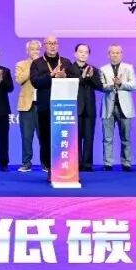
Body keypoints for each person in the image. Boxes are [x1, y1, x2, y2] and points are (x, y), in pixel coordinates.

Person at [29, 36, 80, 177]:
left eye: (55, 43)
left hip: (64, 107)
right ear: (45, 45)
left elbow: (75, 79)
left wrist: (64, 76)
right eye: (49, 43)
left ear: (58, 45)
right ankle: (49, 168)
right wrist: (51, 75)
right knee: (46, 138)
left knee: (64, 138)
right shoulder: (37, 63)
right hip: (45, 107)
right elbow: (35, 82)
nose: (52, 46)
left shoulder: (66, 62)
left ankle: (65, 168)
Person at [100, 44, 136, 172]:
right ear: (108, 54)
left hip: (124, 107)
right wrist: (112, 86)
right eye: (112, 53)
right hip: (109, 107)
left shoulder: (128, 67)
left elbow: (133, 85)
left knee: (126, 138)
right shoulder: (103, 69)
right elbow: (102, 86)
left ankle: (126, 163)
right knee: (107, 138)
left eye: (117, 53)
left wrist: (121, 84)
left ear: (121, 54)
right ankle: (108, 163)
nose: (115, 55)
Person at [73, 44, 104, 172]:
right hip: (75, 107)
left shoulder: (94, 70)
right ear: (75, 53)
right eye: (80, 51)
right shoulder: (69, 69)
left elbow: (101, 87)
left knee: (89, 136)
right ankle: (76, 163)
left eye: (86, 52)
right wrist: (82, 77)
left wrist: (91, 77)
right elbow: (71, 85)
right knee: (75, 137)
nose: (83, 54)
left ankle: (87, 164)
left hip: (90, 108)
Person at [14, 40, 41, 172]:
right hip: (27, 105)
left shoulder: (45, 64)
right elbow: (19, 80)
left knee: (44, 136)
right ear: (27, 51)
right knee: (26, 136)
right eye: (32, 49)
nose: (35, 51)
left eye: (37, 49)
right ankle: (26, 163)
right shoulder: (21, 64)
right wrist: (32, 65)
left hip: (42, 104)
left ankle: (46, 164)